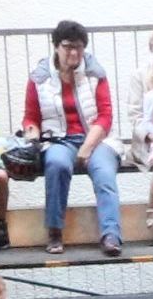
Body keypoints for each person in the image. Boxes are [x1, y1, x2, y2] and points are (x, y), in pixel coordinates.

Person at [19, 19, 122, 259]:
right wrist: (32, 136)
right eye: (67, 46)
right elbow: (30, 117)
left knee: (105, 173)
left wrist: (86, 148)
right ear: (56, 46)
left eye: (78, 47)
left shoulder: (96, 74)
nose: (73, 52)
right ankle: (55, 231)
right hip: (58, 140)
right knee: (56, 165)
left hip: (96, 140)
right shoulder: (39, 78)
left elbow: (105, 116)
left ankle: (111, 235)